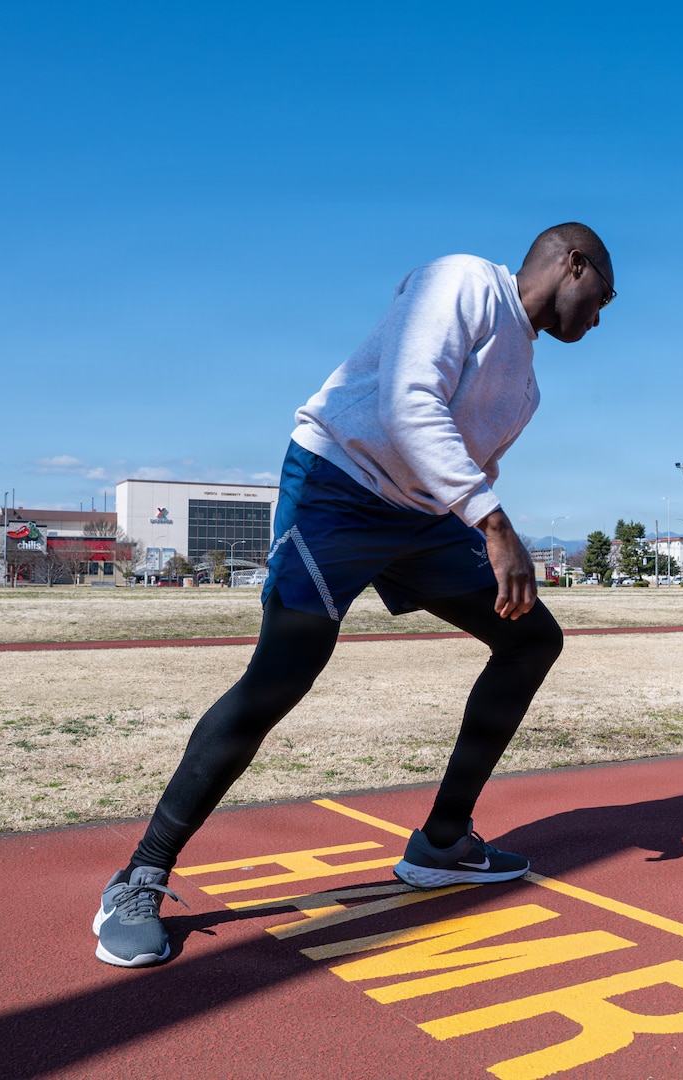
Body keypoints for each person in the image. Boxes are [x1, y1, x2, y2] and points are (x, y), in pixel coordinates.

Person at [93, 223, 615, 967]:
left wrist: (473, 518)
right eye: (603, 297)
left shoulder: (524, 383)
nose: (599, 317)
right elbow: (408, 402)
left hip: (424, 516)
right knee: (283, 675)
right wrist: (493, 523)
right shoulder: (465, 279)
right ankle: (139, 875)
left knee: (530, 637)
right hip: (339, 489)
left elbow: (457, 460)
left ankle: (443, 841)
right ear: (574, 263)